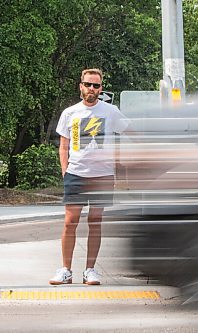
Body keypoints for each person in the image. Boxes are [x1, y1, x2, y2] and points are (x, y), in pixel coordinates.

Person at [49, 68, 130, 285]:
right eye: (88, 84)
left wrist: (119, 160)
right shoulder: (70, 113)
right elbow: (63, 145)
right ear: (81, 86)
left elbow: (130, 133)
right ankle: (65, 270)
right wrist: (65, 170)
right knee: (70, 221)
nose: (91, 89)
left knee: (95, 221)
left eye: (96, 85)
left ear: (101, 88)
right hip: (76, 173)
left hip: (102, 175)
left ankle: (90, 270)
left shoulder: (111, 111)